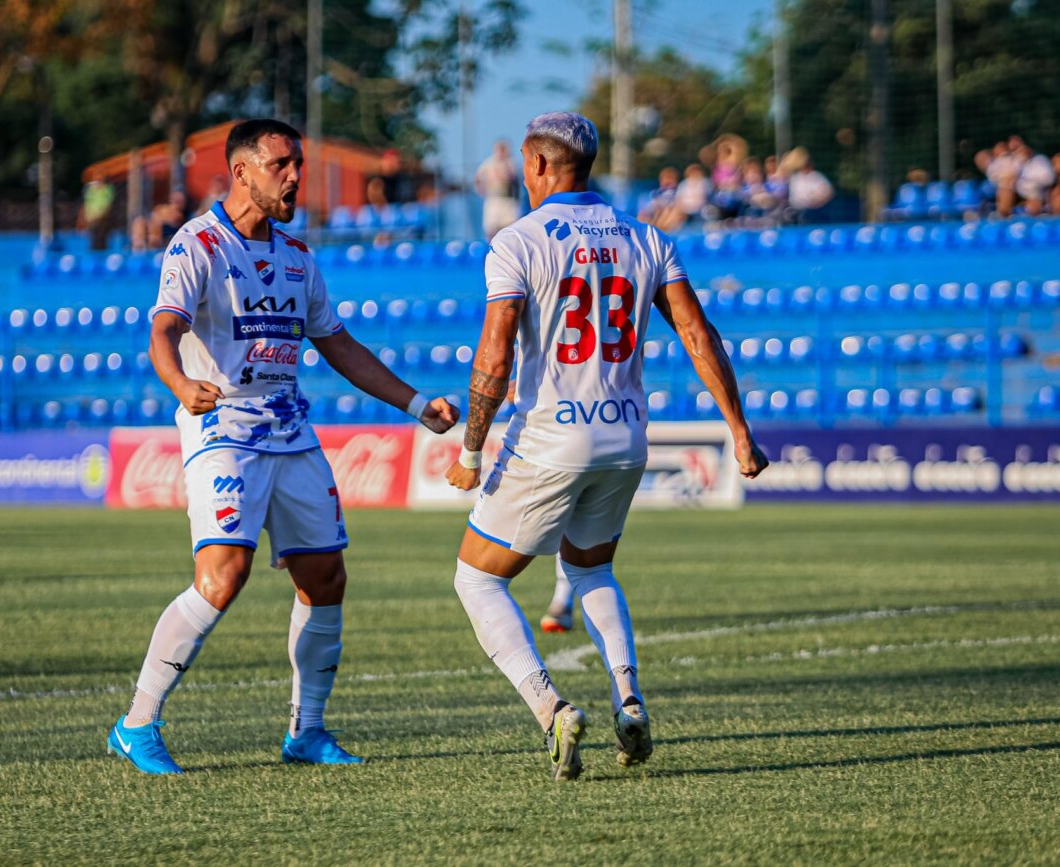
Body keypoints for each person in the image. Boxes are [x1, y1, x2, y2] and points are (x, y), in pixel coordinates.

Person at [108, 119, 459, 775]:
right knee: (223, 576)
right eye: (282, 164)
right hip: (222, 428)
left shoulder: (298, 257)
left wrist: (416, 404)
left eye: (298, 162)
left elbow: (339, 344)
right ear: (241, 171)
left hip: (290, 429)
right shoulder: (197, 245)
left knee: (325, 578)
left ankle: (307, 730)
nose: (296, 175)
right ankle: (136, 723)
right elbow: (162, 329)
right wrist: (183, 383)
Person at [443, 111, 769, 781]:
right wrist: (739, 430)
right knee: (590, 568)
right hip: (625, 435)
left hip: (551, 436)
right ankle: (628, 696)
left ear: (535, 166)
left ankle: (550, 706)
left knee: (477, 577)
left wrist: (471, 451)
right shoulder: (647, 236)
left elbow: (494, 353)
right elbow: (698, 335)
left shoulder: (517, 240)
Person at [476, 139, 521, 240]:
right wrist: (481, 189)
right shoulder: (489, 162)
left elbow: (512, 178)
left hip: (508, 200)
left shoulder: (511, 162)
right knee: (491, 229)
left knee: (510, 227)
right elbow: (478, 176)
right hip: (493, 200)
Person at [80, 174, 115, 251]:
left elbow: (107, 205)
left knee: (100, 239)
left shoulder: (107, 190)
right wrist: (84, 219)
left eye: (99, 180)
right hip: (91, 220)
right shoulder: (90, 191)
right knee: (92, 240)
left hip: (102, 220)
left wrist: (98, 217)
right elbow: (86, 204)